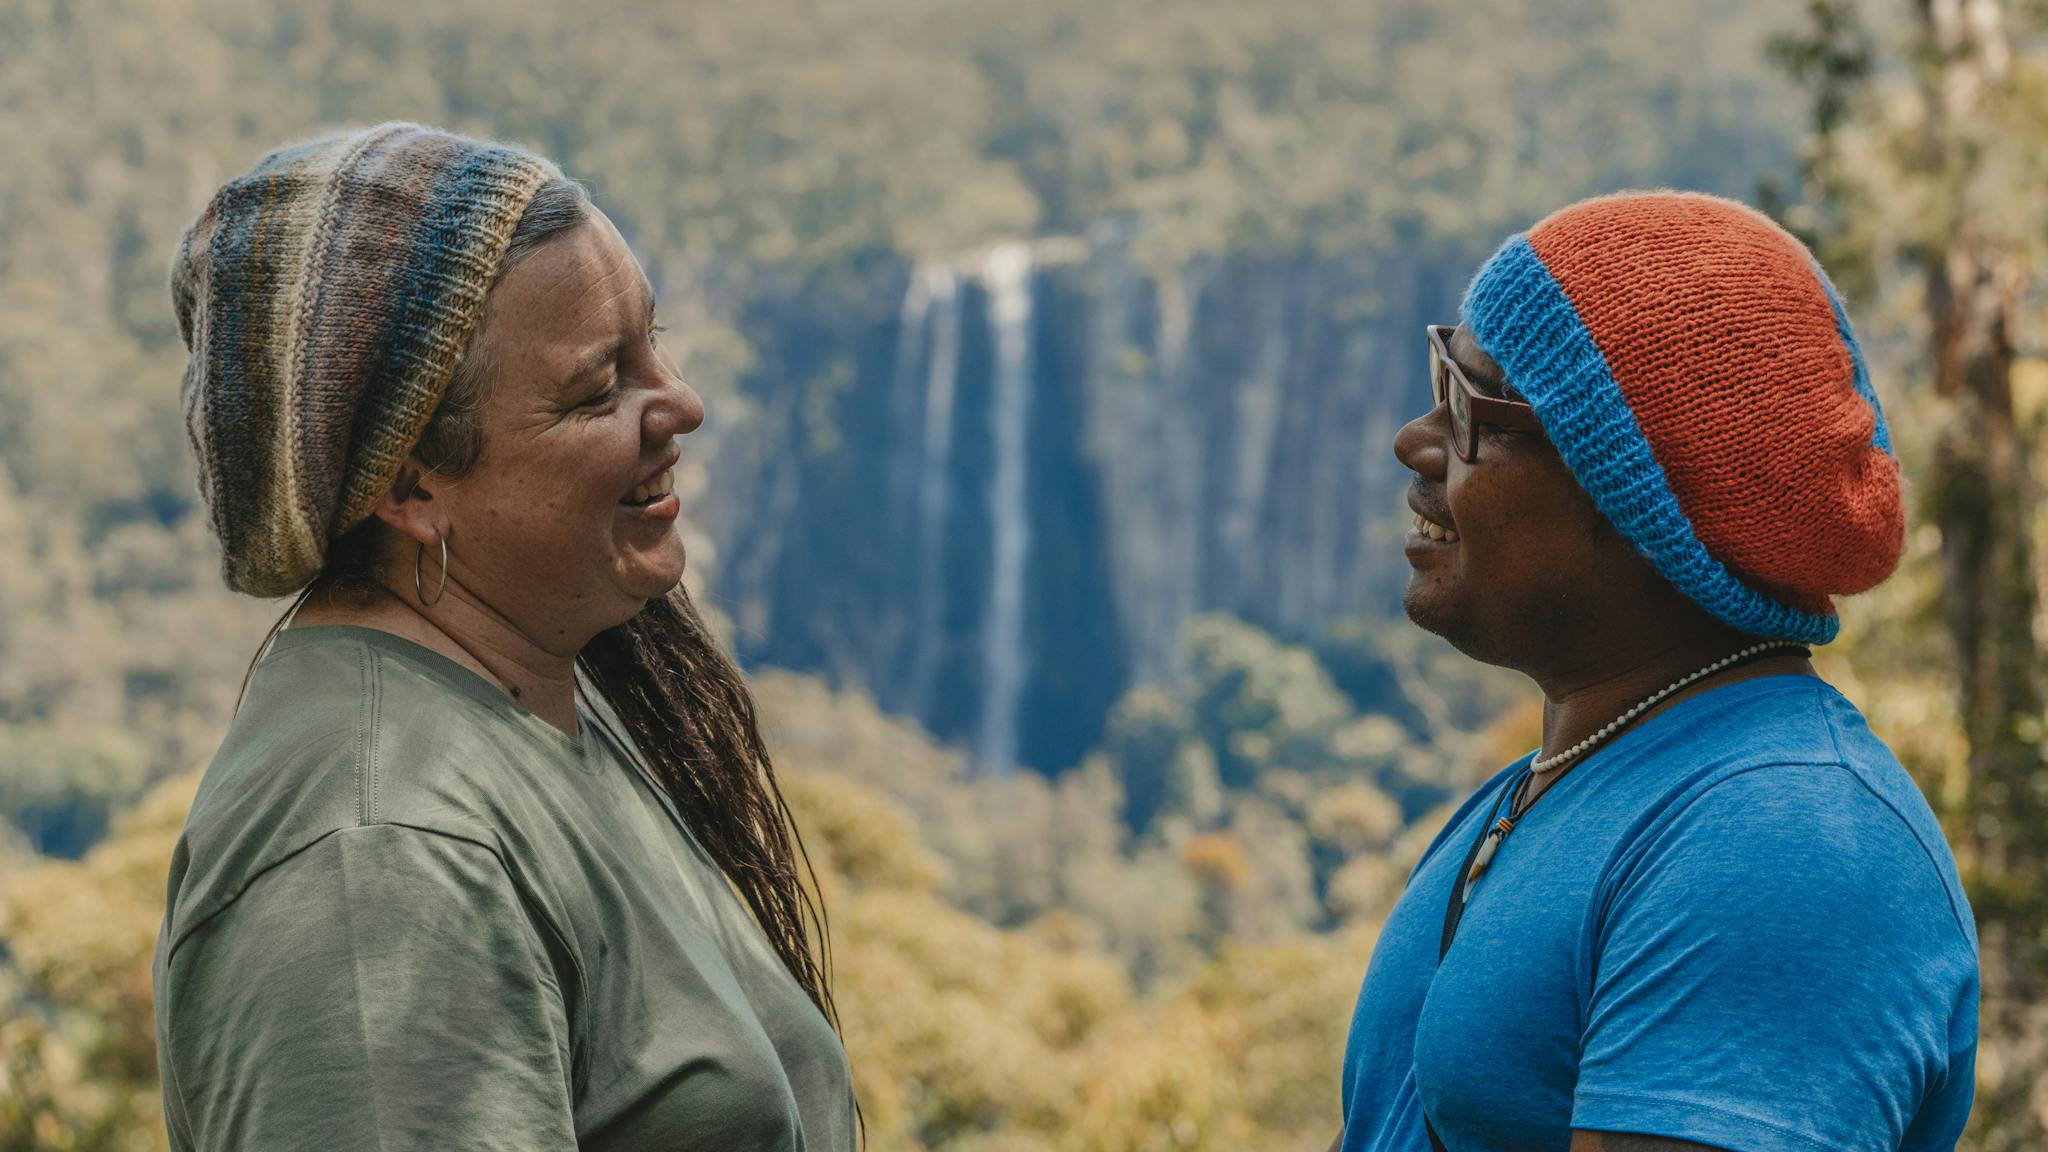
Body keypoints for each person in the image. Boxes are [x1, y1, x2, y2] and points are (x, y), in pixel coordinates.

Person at [152, 123, 856, 1150]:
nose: (681, 404)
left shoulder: (547, 689)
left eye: (652, 344)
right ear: (408, 483)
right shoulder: (381, 867)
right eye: (597, 388)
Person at [1335, 192, 1978, 1152]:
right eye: (1441, 373)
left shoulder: (1784, 838)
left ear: (1641, 503)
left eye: (1475, 407)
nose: (1417, 441)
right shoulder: (1553, 791)